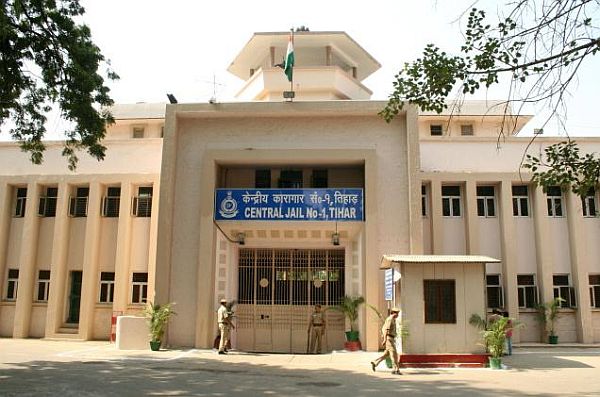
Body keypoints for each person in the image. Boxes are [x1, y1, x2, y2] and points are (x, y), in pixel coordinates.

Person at [370, 307, 401, 375]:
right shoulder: (390, 319)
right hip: (389, 338)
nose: (398, 314)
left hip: (391, 338)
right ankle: (396, 369)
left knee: (386, 354)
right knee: (393, 354)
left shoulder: (393, 319)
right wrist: (385, 339)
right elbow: (387, 330)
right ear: (393, 313)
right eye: (397, 313)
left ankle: (375, 362)